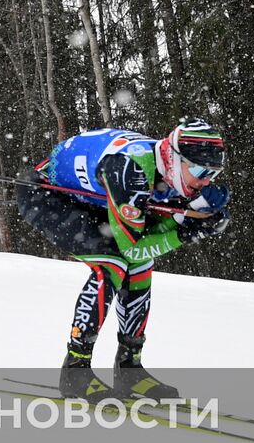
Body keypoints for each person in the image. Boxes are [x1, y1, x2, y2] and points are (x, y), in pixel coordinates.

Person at [18, 117, 232, 401]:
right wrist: (185, 233)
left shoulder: (166, 171)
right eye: (200, 170)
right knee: (113, 263)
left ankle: (129, 368)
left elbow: (151, 234)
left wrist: (194, 217)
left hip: (91, 198)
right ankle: (75, 370)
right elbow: (133, 246)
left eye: (213, 174)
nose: (205, 180)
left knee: (140, 266)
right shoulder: (130, 172)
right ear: (175, 157)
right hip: (47, 195)